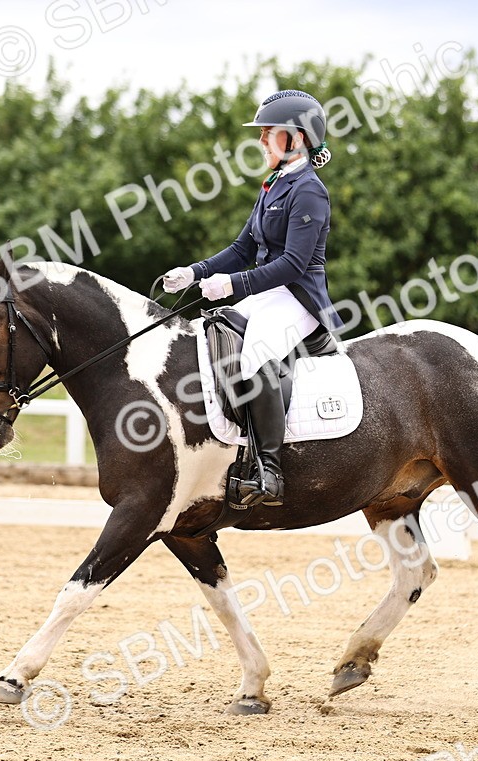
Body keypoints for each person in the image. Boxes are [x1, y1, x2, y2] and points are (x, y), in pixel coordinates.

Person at [162, 89, 344, 508]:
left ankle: (269, 471)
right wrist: (195, 272)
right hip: (267, 293)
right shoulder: (274, 186)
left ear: (295, 138)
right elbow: (242, 248)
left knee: (256, 355)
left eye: (268, 133)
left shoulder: (310, 191)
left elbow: (293, 265)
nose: (261, 141)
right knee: (212, 338)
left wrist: (231, 286)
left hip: (297, 298)